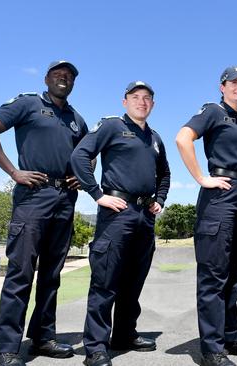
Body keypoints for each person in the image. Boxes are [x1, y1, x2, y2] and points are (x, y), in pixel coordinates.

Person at [0, 60, 87, 366]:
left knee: (52, 274)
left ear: (74, 83)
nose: (64, 78)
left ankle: (43, 337)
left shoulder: (77, 120)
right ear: (47, 78)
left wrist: (81, 175)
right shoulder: (28, 104)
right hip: (33, 197)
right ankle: (6, 349)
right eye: (58, 74)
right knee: (21, 273)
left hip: (65, 199)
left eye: (69, 76)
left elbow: (85, 156)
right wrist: (13, 171)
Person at [71, 81, 170, 366]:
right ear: (124, 101)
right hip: (117, 212)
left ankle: (125, 334)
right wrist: (96, 194)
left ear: (152, 104)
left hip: (144, 215)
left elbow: (164, 173)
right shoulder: (111, 126)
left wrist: (159, 199)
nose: (142, 102)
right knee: (105, 281)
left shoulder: (154, 138)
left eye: (147, 98)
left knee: (133, 281)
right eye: (136, 97)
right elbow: (80, 155)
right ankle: (96, 348)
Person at [176, 66, 237, 366]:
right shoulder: (213, 111)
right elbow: (183, 138)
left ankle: (229, 334)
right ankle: (212, 348)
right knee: (214, 274)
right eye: (234, 83)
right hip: (220, 196)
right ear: (222, 86)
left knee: (236, 271)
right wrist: (202, 178)